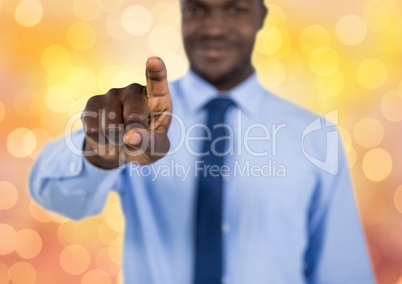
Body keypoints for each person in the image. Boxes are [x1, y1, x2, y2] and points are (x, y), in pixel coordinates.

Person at [30, 0, 375, 283]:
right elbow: (52, 193)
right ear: (180, 13)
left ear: (261, 15)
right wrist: (100, 154)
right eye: (197, 9)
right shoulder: (136, 118)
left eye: (236, 9)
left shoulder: (314, 136)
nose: (213, 27)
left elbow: (341, 271)